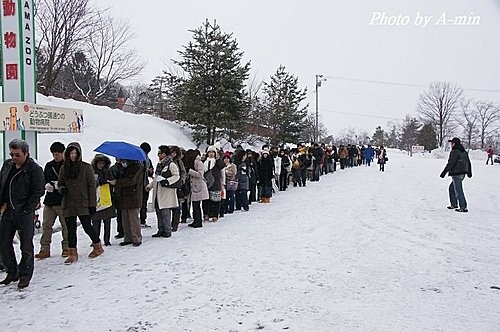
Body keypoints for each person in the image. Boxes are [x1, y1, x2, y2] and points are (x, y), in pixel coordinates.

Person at [0, 139, 44, 288]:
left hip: (24, 212)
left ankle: (25, 274)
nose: (14, 158)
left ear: (26, 154)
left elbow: (38, 191)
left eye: (17, 155)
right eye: (12, 154)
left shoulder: (34, 169)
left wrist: (27, 208)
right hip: (8, 211)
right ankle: (12, 271)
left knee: (26, 245)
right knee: (4, 242)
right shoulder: (7, 165)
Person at [58, 142, 103, 264]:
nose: (73, 156)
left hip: (83, 202)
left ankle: (97, 246)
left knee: (87, 226)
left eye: (75, 153)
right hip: (68, 202)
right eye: (71, 153)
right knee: (70, 229)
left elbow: (91, 187)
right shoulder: (64, 168)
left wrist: (92, 204)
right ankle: (72, 252)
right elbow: (60, 182)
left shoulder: (86, 167)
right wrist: (61, 188)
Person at [36, 141, 68, 259]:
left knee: (65, 225)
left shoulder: (68, 165)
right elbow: (44, 179)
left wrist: (58, 186)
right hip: (49, 200)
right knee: (46, 225)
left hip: (63, 201)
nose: (56, 156)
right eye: (54, 154)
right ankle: (44, 249)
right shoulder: (49, 165)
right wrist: (46, 185)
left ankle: (67, 247)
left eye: (58, 153)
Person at [147, 145, 179, 238]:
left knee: (165, 212)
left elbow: (176, 176)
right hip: (158, 192)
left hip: (166, 192)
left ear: (164, 154)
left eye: (159, 153)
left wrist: (167, 181)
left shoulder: (171, 164)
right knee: (158, 212)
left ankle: (167, 230)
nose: (158, 155)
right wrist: (150, 186)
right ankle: (160, 229)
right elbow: (156, 178)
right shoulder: (159, 164)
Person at [114, 159, 144, 246]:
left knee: (133, 219)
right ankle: (128, 237)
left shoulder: (137, 168)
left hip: (133, 196)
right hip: (124, 197)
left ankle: (136, 238)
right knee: (125, 219)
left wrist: (117, 182)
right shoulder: (124, 168)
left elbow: (131, 181)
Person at [440, 137, 472, 212]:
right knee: (452, 188)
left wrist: (444, 172)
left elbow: (451, 163)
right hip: (462, 173)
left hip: (456, 173)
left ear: (454, 144)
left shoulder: (455, 151)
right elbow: (468, 162)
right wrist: (469, 172)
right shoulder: (463, 151)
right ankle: (454, 204)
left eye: (452, 143)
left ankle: (463, 207)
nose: (451, 145)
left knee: (458, 190)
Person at [91, 154, 116, 246]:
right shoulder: (92, 171)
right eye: (99, 163)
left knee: (107, 221)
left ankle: (107, 240)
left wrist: (110, 182)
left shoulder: (107, 171)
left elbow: (113, 181)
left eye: (103, 163)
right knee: (95, 222)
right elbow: (92, 183)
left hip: (107, 199)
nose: (101, 165)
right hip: (96, 199)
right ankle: (95, 240)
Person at [184, 149, 209, 228]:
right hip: (195, 186)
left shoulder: (199, 162)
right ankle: (196, 220)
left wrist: (190, 171)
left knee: (197, 205)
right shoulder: (194, 162)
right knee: (195, 205)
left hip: (199, 186)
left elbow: (200, 174)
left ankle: (198, 221)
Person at [139, 142, 154, 228]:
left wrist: (150, 171)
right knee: (139, 203)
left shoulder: (148, 160)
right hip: (138, 184)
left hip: (145, 184)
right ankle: (140, 220)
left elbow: (150, 171)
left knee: (144, 203)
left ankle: (142, 220)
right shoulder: (136, 160)